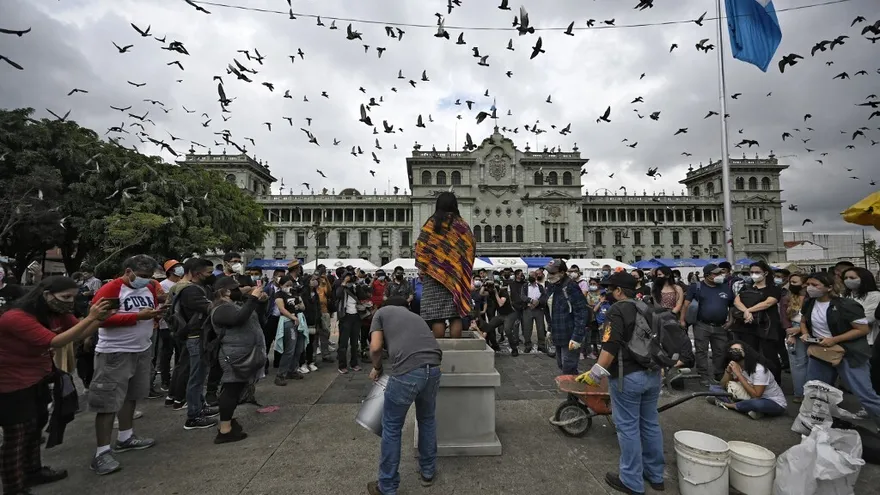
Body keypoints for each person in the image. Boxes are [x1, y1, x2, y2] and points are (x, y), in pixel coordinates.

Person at [0, 277, 112, 494]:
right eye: (65, 297)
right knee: (17, 435)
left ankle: (33, 471)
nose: (70, 302)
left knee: (35, 428)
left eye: (73, 297)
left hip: (37, 378)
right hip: (9, 382)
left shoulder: (55, 312)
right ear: (45, 294)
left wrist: (99, 320)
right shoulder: (16, 317)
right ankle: (14, 487)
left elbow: (79, 332)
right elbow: (54, 341)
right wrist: (91, 317)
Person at [580, 271, 664, 494]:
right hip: (652, 373)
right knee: (650, 423)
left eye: (610, 289)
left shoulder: (618, 309)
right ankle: (656, 475)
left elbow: (611, 344)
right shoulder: (646, 306)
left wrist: (596, 372)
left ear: (618, 291)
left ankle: (631, 481)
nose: (606, 293)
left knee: (627, 427)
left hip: (628, 376)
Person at [88, 255, 164, 475]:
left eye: (150, 277)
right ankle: (101, 452)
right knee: (108, 402)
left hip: (141, 349)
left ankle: (126, 436)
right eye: (142, 276)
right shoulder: (112, 289)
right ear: (128, 271)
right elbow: (98, 319)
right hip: (115, 352)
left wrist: (156, 315)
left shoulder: (149, 288)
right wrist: (136, 317)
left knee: (131, 396)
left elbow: (150, 311)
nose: (147, 280)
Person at [366, 297, 442, 495]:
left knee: (391, 427)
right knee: (427, 419)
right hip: (433, 368)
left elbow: (375, 348)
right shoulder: (415, 316)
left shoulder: (381, 313)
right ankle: (428, 471)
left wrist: (377, 367)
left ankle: (387, 486)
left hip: (408, 371)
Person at [800, 272, 880, 430]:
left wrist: (835, 339)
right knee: (815, 392)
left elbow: (863, 329)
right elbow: (804, 320)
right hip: (821, 352)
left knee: (865, 394)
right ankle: (816, 427)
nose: (810, 288)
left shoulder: (846, 305)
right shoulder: (809, 303)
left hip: (849, 353)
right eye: (808, 284)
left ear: (829, 287)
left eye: (815, 285)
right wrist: (805, 333)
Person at [209, 276, 266, 444]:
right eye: (237, 288)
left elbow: (252, 317)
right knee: (231, 389)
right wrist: (253, 298)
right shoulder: (221, 309)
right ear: (226, 291)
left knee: (236, 388)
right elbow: (238, 319)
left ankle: (227, 422)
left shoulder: (233, 305)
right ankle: (225, 430)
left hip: (244, 352)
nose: (240, 290)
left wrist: (259, 302)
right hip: (234, 356)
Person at [414, 192, 475, 338]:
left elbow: (421, 247)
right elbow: (470, 248)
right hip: (455, 278)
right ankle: (455, 348)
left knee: (437, 316)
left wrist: (426, 267)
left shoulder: (431, 224)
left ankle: (441, 349)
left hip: (433, 276)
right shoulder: (462, 226)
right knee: (455, 315)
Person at [681, 264, 734, 385]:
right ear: (707, 276)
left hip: (721, 326)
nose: (720, 276)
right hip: (701, 325)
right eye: (716, 274)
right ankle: (703, 375)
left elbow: (731, 306)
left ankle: (719, 374)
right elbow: (686, 304)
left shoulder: (725, 287)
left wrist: (730, 320)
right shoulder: (696, 287)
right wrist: (682, 320)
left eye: (720, 273)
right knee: (701, 351)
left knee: (720, 351)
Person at [731, 261, 783, 383]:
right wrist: (746, 312)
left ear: (765, 273)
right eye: (752, 272)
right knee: (750, 355)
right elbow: (736, 301)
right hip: (747, 327)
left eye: (757, 272)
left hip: (767, 327)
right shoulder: (746, 287)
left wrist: (748, 310)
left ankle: (775, 383)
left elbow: (768, 303)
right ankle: (753, 382)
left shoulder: (773, 288)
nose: (754, 274)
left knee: (769, 356)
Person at [708, 341, 787, 419]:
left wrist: (738, 374)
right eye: (731, 350)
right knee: (714, 388)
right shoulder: (735, 365)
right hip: (748, 397)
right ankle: (749, 409)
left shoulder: (759, 369)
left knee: (757, 404)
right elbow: (722, 386)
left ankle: (728, 405)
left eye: (737, 350)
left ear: (746, 352)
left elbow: (756, 396)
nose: (734, 352)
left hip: (771, 402)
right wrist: (728, 371)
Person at [544, 260, 589, 375]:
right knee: (561, 364)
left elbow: (581, 311)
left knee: (568, 367)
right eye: (548, 273)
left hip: (569, 334)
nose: (549, 276)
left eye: (553, 273)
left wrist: (577, 337)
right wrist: (550, 329)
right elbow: (551, 309)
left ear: (562, 272)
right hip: (557, 332)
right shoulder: (553, 286)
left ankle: (574, 391)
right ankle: (573, 388)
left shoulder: (570, 286)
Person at [841, 267, 880, 393]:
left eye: (852, 278)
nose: (848, 281)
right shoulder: (844, 296)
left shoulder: (875, 296)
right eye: (846, 278)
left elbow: (868, 318)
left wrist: (845, 320)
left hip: (868, 341)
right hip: (847, 340)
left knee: (869, 376)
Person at [274, 276, 307, 385]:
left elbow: (302, 307)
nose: (289, 287)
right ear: (281, 285)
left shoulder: (295, 294)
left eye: (290, 285)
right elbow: (282, 309)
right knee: (290, 349)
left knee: (299, 348)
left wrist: (299, 299)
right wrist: (293, 317)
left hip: (299, 321)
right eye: (286, 285)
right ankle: (281, 374)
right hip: (288, 321)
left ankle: (292, 370)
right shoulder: (279, 295)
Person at [780, 273, 808, 402]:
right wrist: (790, 333)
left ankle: (812, 393)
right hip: (793, 329)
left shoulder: (811, 297)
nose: (792, 284)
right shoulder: (787, 298)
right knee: (797, 363)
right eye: (791, 282)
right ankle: (799, 393)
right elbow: (784, 318)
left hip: (810, 329)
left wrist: (801, 329)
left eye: (795, 282)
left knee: (813, 363)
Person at [336, 271, 364, 374]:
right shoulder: (341, 288)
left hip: (356, 316)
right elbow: (337, 295)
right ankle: (342, 365)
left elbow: (362, 295)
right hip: (345, 317)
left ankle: (354, 363)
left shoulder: (355, 287)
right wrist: (344, 283)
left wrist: (357, 284)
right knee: (343, 344)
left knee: (355, 342)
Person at [521, 271, 548, 354]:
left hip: (538, 310)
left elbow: (544, 296)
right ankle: (528, 345)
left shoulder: (540, 286)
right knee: (527, 329)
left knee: (540, 328)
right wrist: (531, 301)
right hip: (528, 309)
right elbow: (522, 296)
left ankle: (541, 345)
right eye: (530, 275)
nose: (531, 277)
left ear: (536, 277)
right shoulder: (525, 286)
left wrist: (538, 302)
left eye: (532, 275)